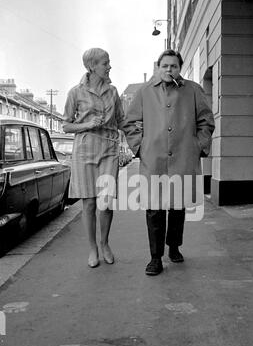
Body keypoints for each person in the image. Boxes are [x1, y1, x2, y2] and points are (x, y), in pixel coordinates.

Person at [123, 49, 215, 276]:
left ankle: (174, 247)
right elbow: (130, 123)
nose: (169, 70)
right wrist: (140, 147)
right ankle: (155, 258)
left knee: (177, 206)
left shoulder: (193, 90)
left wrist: (198, 146)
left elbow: (206, 122)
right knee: (154, 208)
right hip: (154, 158)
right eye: (165, 66)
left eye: (173, 66)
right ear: (158, 66)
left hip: (183, 155)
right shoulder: (145, 92)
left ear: (179, 68)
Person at [63, 47, 124, 268]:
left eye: (108, 62)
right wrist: (87, 124)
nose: (109, 66)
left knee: (106, 202)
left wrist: (141, 139)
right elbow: (66, 124)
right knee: (88, 203)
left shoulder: (113, 91)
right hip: (85, 149)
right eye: (105, 63)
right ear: (92, 66)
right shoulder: (75, 93)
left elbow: (121, 120)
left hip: (108, 149)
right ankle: (92, 248)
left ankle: (105, 243)